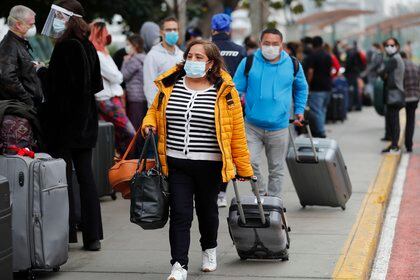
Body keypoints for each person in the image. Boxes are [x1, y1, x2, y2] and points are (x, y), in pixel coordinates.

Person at [142, 39, 253, 280]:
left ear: (211, 63)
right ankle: (179, 265)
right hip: (176, 163)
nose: (192, 61)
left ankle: (209, 249)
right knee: (180, 214)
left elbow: (236, 131)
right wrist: (149, 124)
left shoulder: (225, 90)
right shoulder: (171, 84)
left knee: (207, 211)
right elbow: (154, 110)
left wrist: (243, 167)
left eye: (199, 58)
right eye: (190, 56)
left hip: (210, 165)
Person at [40, 0, 103, 251]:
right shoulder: (88, 46)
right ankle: (92, 236)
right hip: (86, 124)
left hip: (65, 126)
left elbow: (59, 89)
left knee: (63, 180)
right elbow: (95, 84)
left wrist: (43, 73)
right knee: (86, 178)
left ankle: (65, 233)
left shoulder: (65, 47)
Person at [233, 28, 308, 198]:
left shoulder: (293, 64)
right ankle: (261, 194)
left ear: (282, 45)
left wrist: (299, 110)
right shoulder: (248, 62)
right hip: (252, 126)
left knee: (277, 169)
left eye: (275, 44)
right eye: (267, 43)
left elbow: (301, 88)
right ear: (260, 44)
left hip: (279, 127)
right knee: (249, 162)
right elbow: (236, 89)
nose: (270, 47)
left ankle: (274, 203)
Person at [210, 13, 247, 207]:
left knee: (205, 148)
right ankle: (221, 194)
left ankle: (203, 190)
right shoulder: (239, 51)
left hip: (205, 103)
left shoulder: (205, 49)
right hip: (231, 106)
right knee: (226, 150)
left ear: (212, 29)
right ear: (229, 29)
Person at [89, 21, 135, 156]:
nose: (107, 36)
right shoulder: (97, 54)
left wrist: (118, 76)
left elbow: (117, 75)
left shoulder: (104, 53)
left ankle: (121, 164)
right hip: (107, 99)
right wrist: (119, 76)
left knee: (117, 134)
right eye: (105, 33)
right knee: (129, 132)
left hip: (113, 98)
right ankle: (125, 163)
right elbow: (116, 77)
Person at [0, 5, 43, 108]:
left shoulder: (19, 42)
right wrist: (28, 101)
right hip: (22, 109)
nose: (33, 28)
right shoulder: (9, 45)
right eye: (31, 25)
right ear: (18, 25)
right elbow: (7, 77)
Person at [143, 17, 183, 107]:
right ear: (161, 32)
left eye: (175, 29)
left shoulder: (182, 55)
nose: (172, 32)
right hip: (161, 108)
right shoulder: (152, 56)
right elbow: (149, 88)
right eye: (168, 30)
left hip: (181, 107)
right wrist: (155, 110)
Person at [121, 34, 147, 154]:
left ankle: (132, 157)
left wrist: (125, 62)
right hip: (142, 98)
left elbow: (123, 76)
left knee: (133, 130)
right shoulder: (145, 58)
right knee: (139, 128)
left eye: (128, 44)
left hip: (134, 98)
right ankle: (139, 154)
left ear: (135, 46)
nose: (127, 47)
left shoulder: (134, 60)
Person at [379, 37, 405, 153]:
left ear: (397, 46)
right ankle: (393, 144)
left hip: (394, 94)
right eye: (387, 45)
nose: (389, 48)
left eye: (392, 45)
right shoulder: (395, 58)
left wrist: (383, 74)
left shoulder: (394, 59)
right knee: (392, 119)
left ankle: (394, 146)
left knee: (394, 120)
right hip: (394, 93)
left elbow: (382, 72)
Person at [306, 36, 332, 138]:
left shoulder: (313, 55)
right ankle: (321, 128)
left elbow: (310, 72)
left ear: (313, 44)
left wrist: (308, 83)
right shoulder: (328, 55)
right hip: (328, 86)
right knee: (323, 110)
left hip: (317, 87)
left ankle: (320, 131)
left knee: (316, 111)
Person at [400, 51, 420, 152]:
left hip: (403, 97)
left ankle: (394, 140)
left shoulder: (400, 66)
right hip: (414, 97)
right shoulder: (415, 65)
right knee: (410, 120)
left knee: (394, 118)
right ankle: (409, 145)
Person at [345, 41, 365, 111]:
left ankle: (350, 106)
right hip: (357, 73)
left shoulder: (349, 53)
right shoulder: (358, 52)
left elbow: (347, 65)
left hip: (350, 74)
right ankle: (358, 105)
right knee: (357, 90)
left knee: (351, 90)